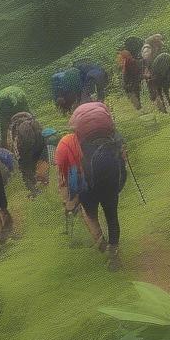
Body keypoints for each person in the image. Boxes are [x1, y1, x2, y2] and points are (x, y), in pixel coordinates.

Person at [67, 101, 127, 271]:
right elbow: (122, 157)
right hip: (110, 180)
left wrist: (73, 194)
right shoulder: (113, 137)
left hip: (88, 185)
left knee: (91, 216)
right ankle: (114, 256)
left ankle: (102, 245)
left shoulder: (75, 142)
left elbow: (73, 168)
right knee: (112, 216)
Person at [7, 109, 49, 198]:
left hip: (25, 153)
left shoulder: (15, 127)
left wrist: (19, 155)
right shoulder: (35, 123)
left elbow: (13, 144)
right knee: (39, 166)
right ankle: (44, 183)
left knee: (25, 172)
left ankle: (34, 191)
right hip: (39, 150)